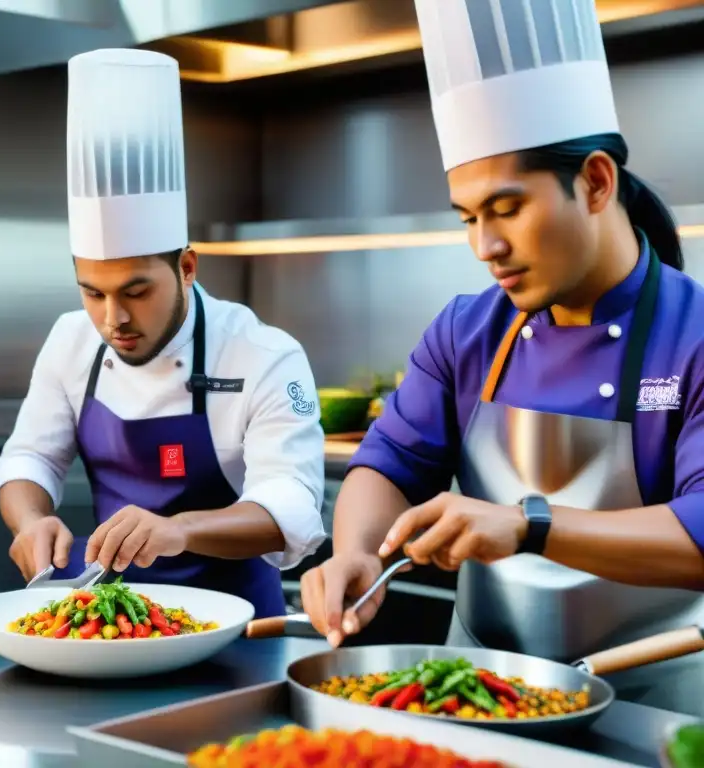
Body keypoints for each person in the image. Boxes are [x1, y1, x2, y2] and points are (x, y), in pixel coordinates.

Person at [301, 0, 704, 663]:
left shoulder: (693, 338)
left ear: (596, 181)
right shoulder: (466, 331)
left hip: (655, 703)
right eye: (467, 217)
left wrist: (526, 525)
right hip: (481, 692)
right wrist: (355, 554)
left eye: (507, 208)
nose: (485, 245)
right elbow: (386, 465)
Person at [0, 48, 326, 619]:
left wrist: (179, 531)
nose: (112, 319)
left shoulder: (263, 353)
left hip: (237, 629)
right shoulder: (71, 342)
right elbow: (29, 458)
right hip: (112, 627)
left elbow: (291, 507)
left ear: (187, 268)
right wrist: (30, 521)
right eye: (92, 292)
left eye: (136, 291)